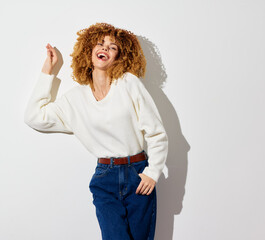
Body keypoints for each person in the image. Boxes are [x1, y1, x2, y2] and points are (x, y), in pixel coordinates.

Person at [24, 22, 168, 240]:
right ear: (89, 51)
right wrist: (48, 70)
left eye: (113, 47)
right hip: (105, 178)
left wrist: (153, 172)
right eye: (100, 43)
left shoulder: (129, 83)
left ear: (119, 57)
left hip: (138, 175)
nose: (105, 48)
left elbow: (156, 132)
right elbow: (34, 117)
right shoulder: (75, 99)